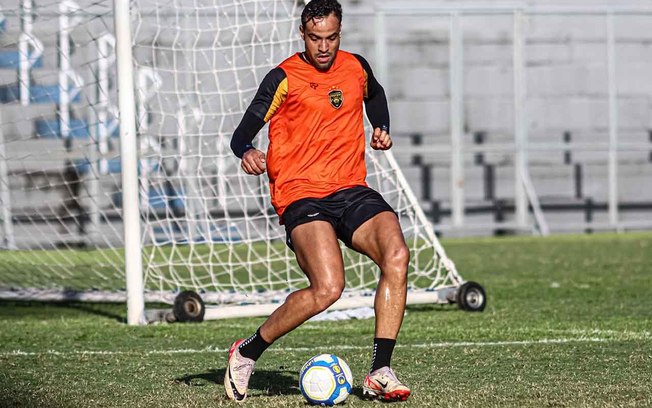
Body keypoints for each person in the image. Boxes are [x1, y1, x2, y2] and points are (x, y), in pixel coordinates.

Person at [225, 0, 410, 402]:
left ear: (339, 32)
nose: (323, 47)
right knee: (328, 288)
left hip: (350, 187)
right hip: (301, 192)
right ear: (302, 34)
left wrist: (381, 126)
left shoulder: (355, 66)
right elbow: (243, 131)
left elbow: (374, 95)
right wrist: (247, 151)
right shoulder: (283, 78)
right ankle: (246, 351)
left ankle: (380, 370)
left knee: (396, 254)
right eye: (314, 38)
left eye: (330, 37)